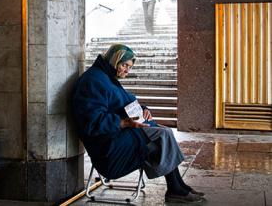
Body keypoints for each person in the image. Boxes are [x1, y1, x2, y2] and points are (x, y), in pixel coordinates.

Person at [72, 44, 205, 203]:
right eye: (124, 65)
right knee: (161, 139)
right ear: (115, 60)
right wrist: (124, 122)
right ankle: (176, 188)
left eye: (129, 67)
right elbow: (92, 122)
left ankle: (178, 187)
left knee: (165, 134)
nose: (127, 71)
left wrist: (142, 109)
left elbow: (123, 101)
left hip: (120, 135)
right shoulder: (93, 81)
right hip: (108, 148)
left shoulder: (106, 77)